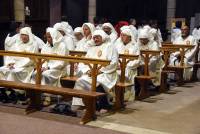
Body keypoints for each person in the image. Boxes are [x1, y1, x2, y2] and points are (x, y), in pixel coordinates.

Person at [72, 30, 118, 112]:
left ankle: (104, 105)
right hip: (91, 73)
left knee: (97, 81)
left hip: (105, 73)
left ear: (103, 37)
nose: (95, 39)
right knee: (80, 81)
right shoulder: (92, 48)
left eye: (97, 37)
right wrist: (87, 71)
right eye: (94, 38)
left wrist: (100, 71)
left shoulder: (110, 46)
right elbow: (84, 62)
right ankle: (85, 104)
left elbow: (114, 63)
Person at [0, 27, 39, 103]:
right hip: (14, 65)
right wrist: (10, 63)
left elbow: (31, 60)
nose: (23, 37)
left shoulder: (33, 45)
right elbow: (10, 54)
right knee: (1, 70)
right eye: (22, 35)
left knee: (15, 72)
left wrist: (17, 65)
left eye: (25, 35)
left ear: (29, 36)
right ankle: (4, 92)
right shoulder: (17, 44)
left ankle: (17, 93)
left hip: (26, 66)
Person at [31, 27, 69, 106]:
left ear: (54, 36)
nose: (47, 39)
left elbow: (61, 63)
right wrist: (43, 67)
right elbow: (43, 59)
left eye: (49, 37)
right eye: (47, 37)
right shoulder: (46, 46)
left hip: (60, 69)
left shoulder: (62, 46)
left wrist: (48, 68)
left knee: (46, 74)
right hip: (47, 68)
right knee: (35, 73)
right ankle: (34, 96)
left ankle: (47, 96)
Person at [115, 28, 140, 101]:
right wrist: (116, 66)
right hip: (118, 67)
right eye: (121, 35)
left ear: (129, 37)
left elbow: (137, 60)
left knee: (125, 73)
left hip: (129, 68)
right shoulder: (118, 45)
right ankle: (115, 96)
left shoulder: (134, 46)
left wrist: (125, 66)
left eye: (124, 35)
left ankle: (126, 96)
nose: (122, 37)